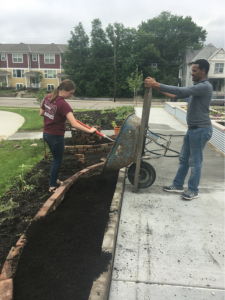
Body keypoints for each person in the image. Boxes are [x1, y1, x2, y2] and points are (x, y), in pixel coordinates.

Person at [145, 59, 213, 200]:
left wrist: (156, 84)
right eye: (191, 70)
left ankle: (193, 190)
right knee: (183, 159)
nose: (191, 73)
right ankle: (178, 185)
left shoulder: (204, 86)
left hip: (201, 130)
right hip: (193, 130)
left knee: (195, 162)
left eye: (194, 70)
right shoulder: (197, 87)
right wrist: (156, 87)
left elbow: (180, 90)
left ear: (203, 71)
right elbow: (176, 95)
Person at [39, 79, 96, 193]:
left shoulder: (48, 97)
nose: (71, 95)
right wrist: (90, 131)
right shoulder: (63, 104)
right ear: (63, 90)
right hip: (55, 136)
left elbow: (41, 113)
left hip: (46, 134)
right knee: (57, 160)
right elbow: (74, 124)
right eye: (70, 93)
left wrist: (54, 115)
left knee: (56, 159)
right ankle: (52, 186)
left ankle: (55, 179)